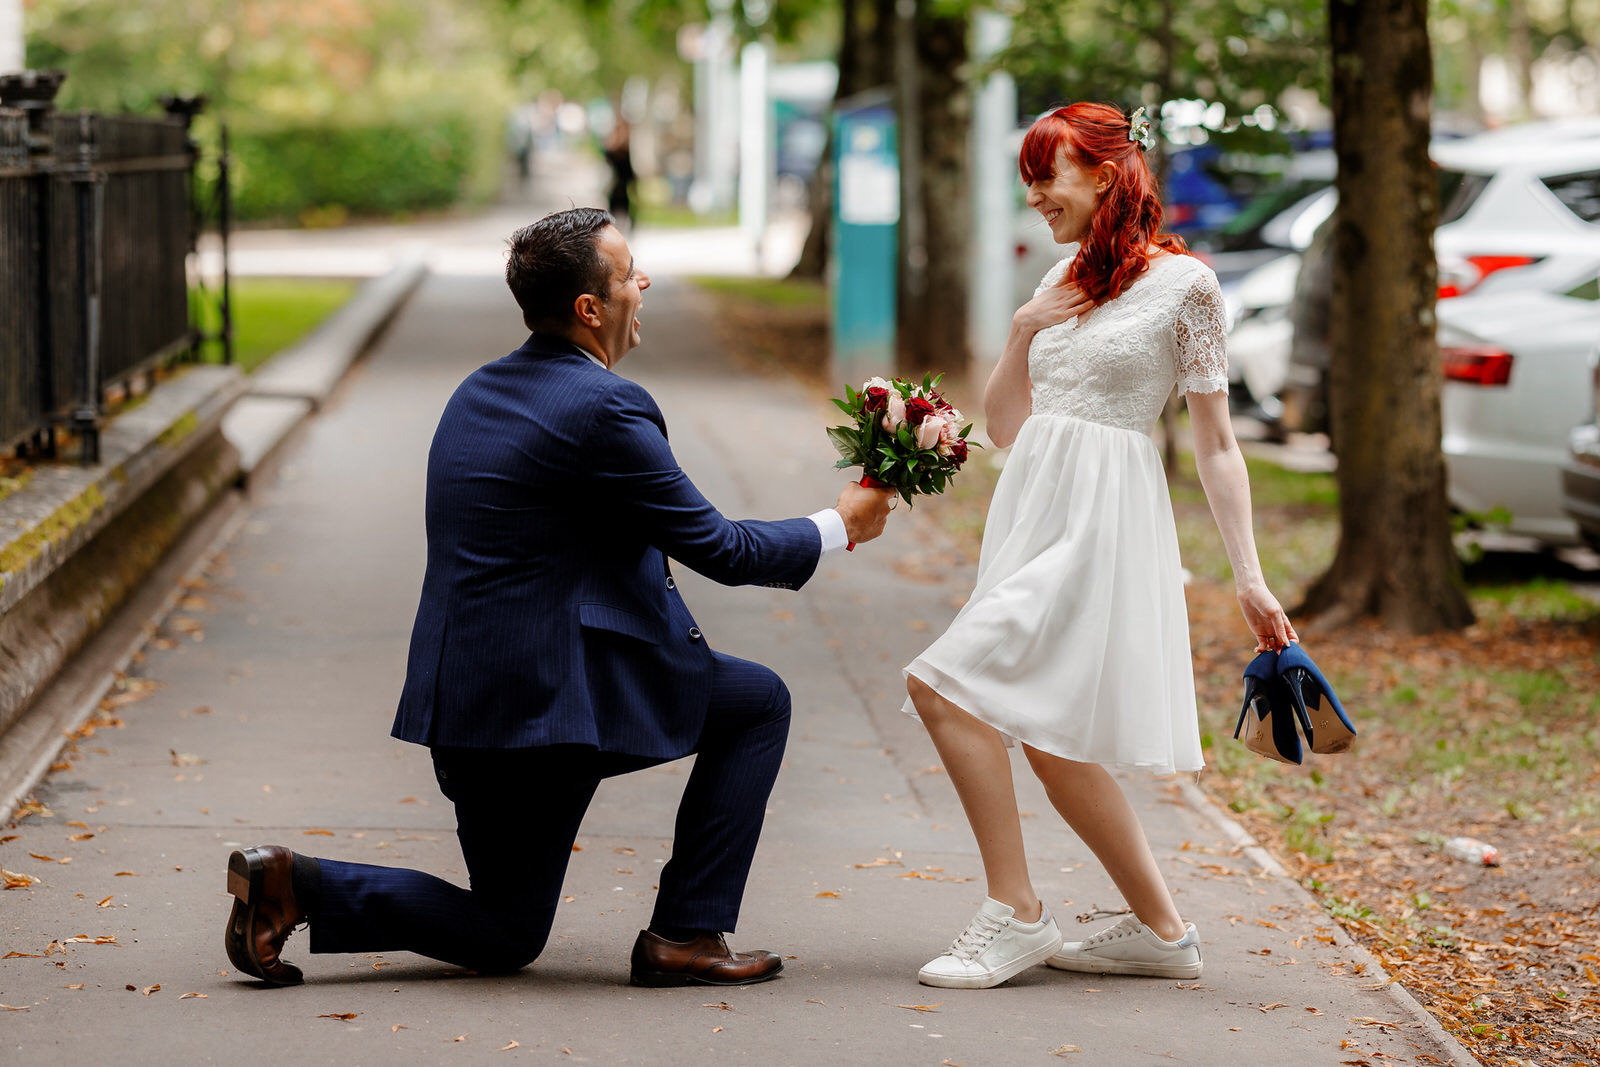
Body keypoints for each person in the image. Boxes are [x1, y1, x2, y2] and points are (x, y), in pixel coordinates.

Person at [223, 207, 893, 989]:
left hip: (467, 703)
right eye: (628, 275)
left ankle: (292, 881)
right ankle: (685, 934)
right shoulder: (606, 408)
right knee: (757, 703)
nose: (642, 285)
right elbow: (721, 548)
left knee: (505, 928)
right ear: (590, 308)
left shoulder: (480, 389)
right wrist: (839, 525)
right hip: (545, 712)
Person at [903, 103, 1298, 990]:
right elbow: (1004, 428)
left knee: (940, 686)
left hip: (1102, 521)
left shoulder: (1186, 286)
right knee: (1050, 737)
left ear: (1107, 174)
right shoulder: (1059, 277)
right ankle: (1163, 933)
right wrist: (1022, 327)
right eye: (1031, 180)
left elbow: (1218, 444)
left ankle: (1017, 913)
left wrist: (1249, 578)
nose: (1037, 196)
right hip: (1033, 510)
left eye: (1049, 176)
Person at [604, 118, 635, 228]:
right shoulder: (614, 149)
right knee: (616, 210)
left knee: (625, 209)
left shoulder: (623, 149)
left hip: (621, 184)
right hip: (616, 183)